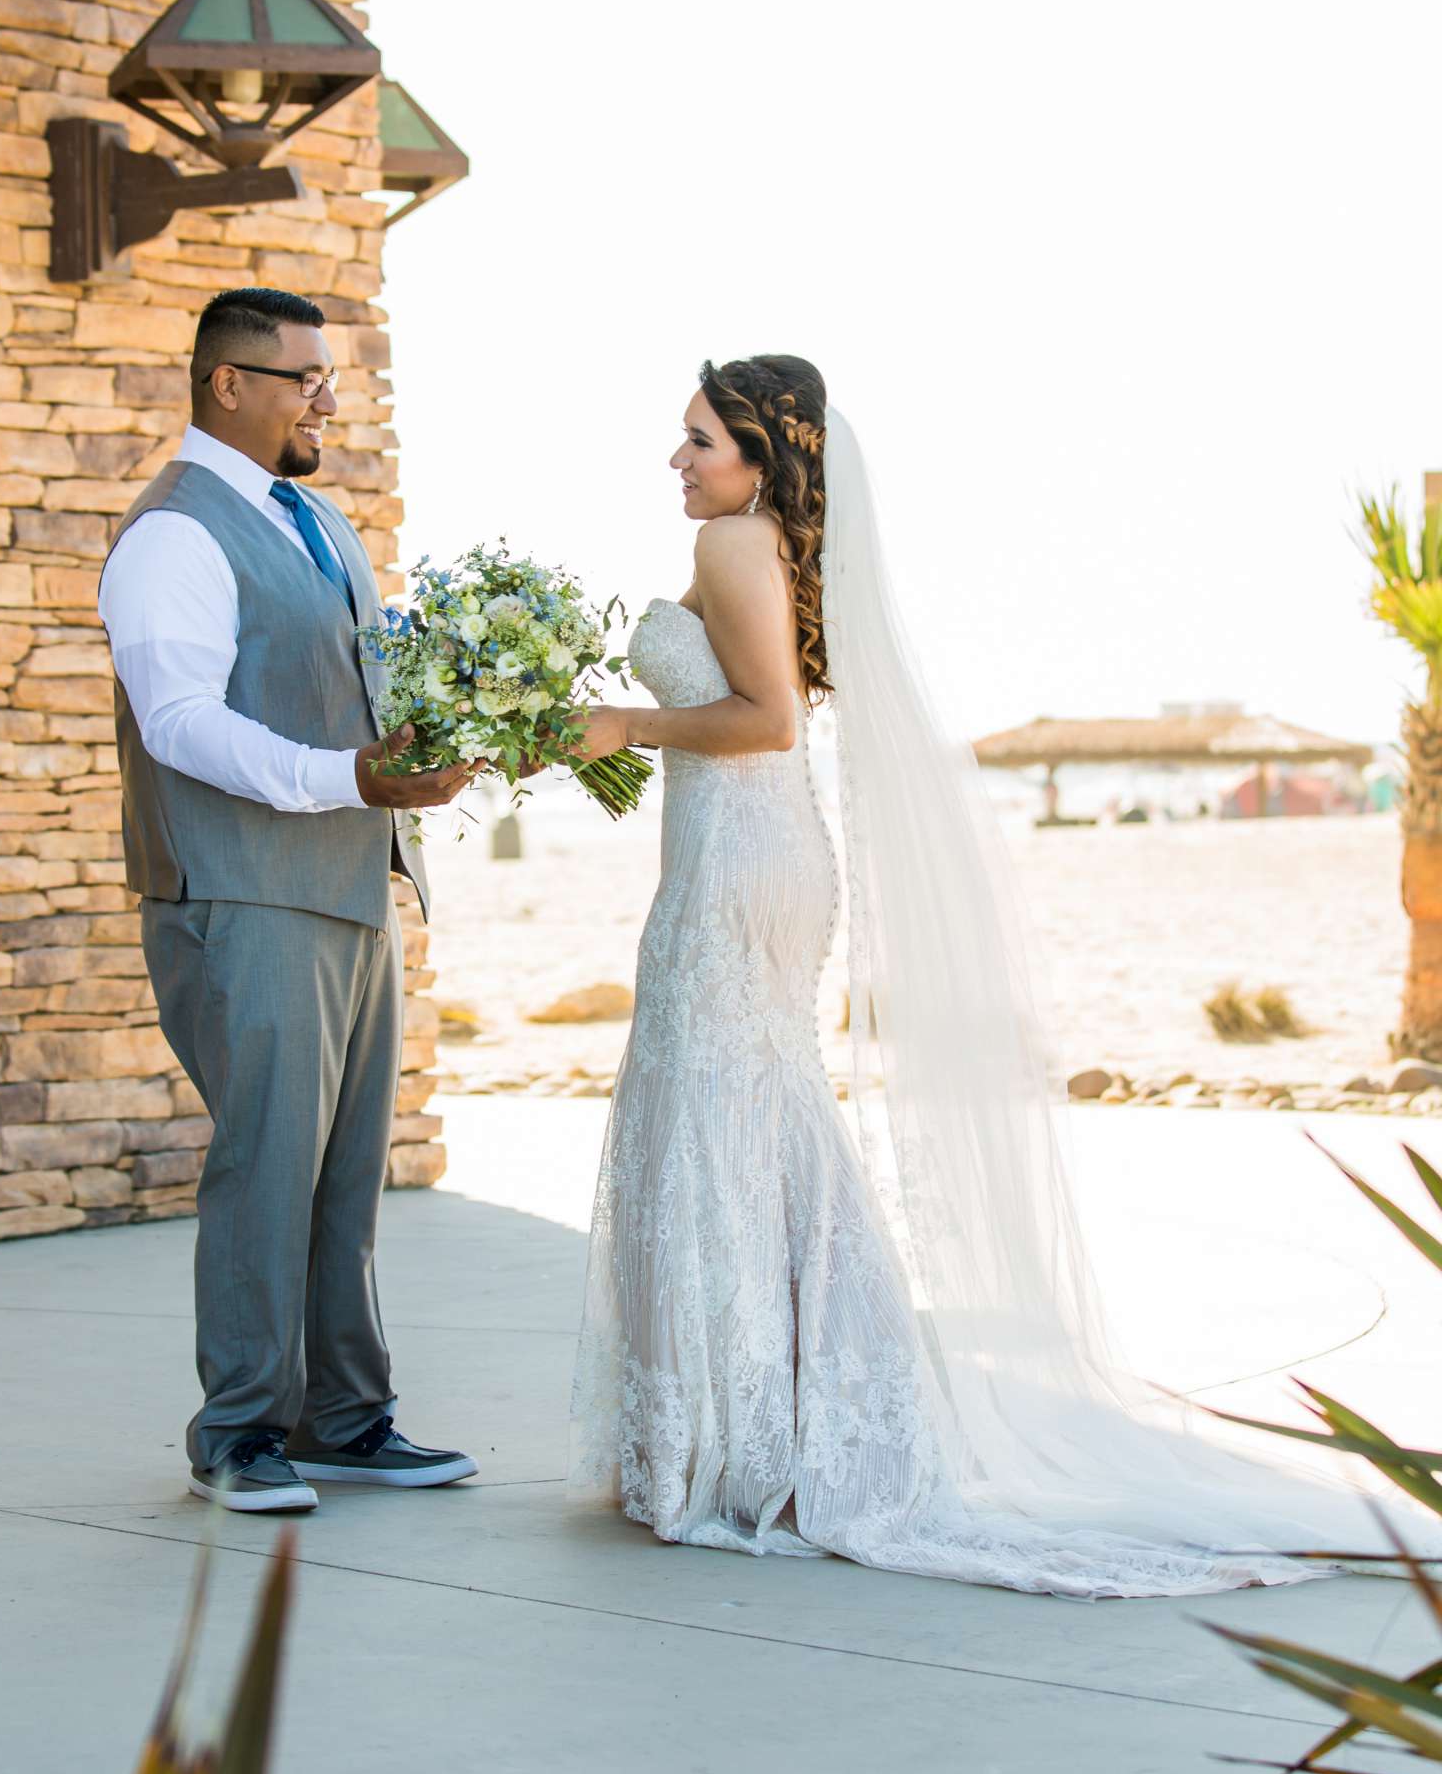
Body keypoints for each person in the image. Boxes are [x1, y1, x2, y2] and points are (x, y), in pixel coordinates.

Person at [565, 355, 1441, 1596]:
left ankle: (736, 1441)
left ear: (762, 456)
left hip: (739, 853)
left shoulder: (734, 546)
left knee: (710, 1111)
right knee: (748, 1114)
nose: (678, 459)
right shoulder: (774, 544)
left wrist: (620, 724)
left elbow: (766, 720)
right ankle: (758, 1421)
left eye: (700, 438)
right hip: (758, 846)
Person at [99, 286, 478, 1514]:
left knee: (344, 1171)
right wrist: (348, 776)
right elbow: (182, 726)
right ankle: (241, 1434)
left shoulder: (316, 521)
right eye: (306, 376)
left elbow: (338, 686)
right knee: (267, 1165)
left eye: (330, 374)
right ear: (227, 384)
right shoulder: (174, 534)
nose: (329, 396)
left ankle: (344, 1419)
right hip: (243, 893)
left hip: (347, 885)